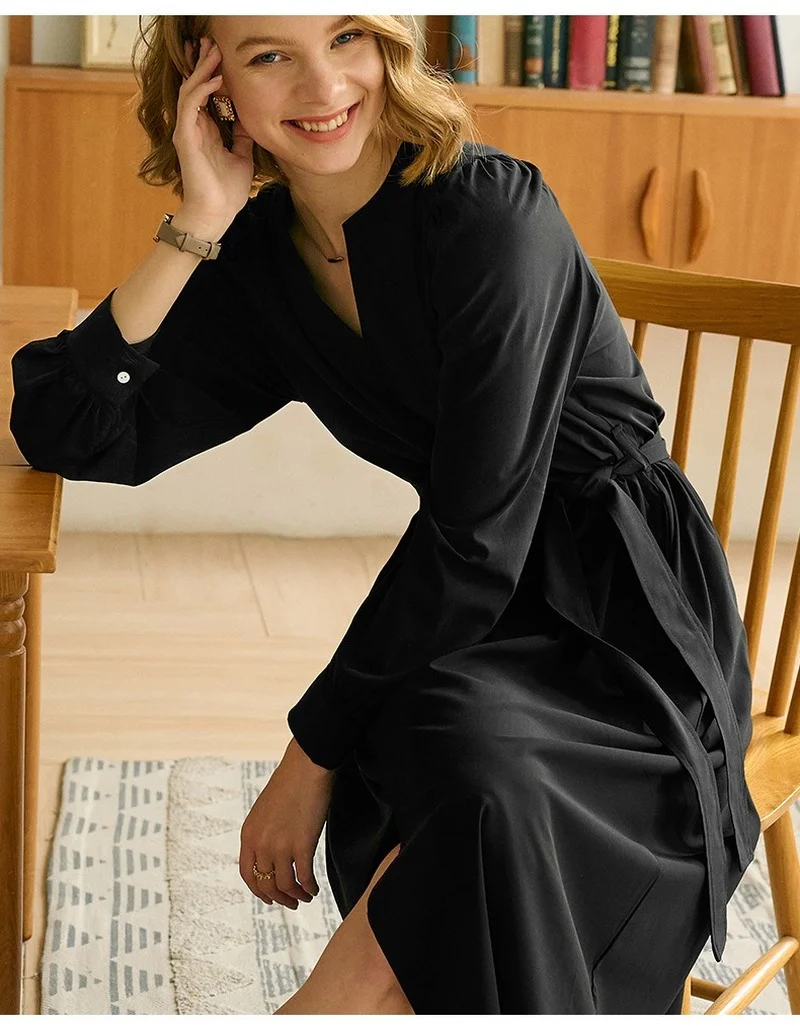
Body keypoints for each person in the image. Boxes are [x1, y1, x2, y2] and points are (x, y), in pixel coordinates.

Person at [9, 14, 762, 1016]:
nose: (323, 86)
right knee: (449, 745)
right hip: (474, 606)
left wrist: (307, 755)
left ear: (387, 49)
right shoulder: (267, 259)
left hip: (626, 612)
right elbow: (66, 430)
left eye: (346, 40)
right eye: (270, 56)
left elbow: (474, 536)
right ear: (209, 81)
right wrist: (195, 223)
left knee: (474, 766)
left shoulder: (489, 214)